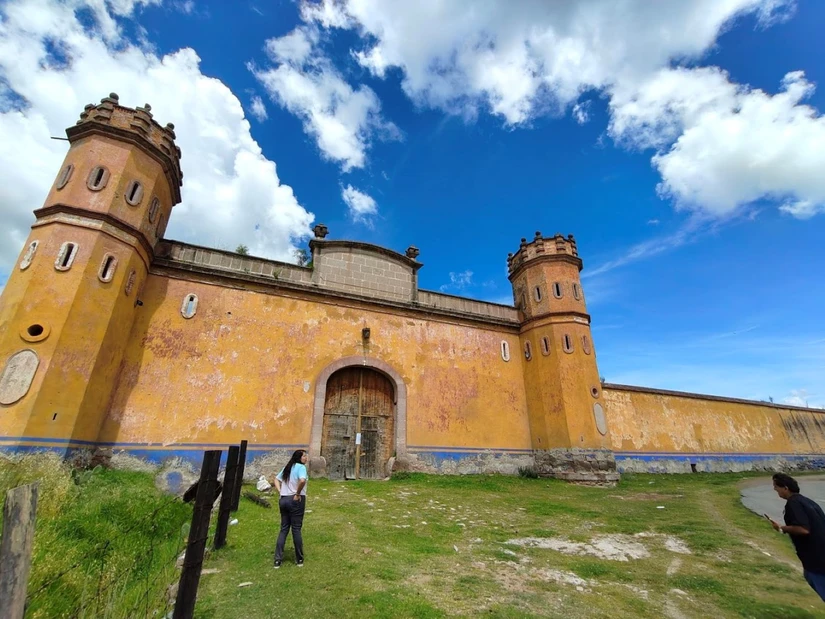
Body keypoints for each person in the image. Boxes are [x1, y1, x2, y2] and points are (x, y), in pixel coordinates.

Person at [767, 473, 825, 602]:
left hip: (816, 560)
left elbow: (803, 529)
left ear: (785, 488)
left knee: (814, 578)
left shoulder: (793, 504)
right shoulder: (808, 502)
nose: (775, 489)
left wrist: (782, 528)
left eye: (776, 486)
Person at [273, 449, 308, 568]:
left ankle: (277, 560)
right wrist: (297, 494)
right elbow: (302, 480)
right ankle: (299, 559)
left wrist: (280, 491)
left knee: (284, 529)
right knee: (296, 529)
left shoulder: (288, 467)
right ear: (299, 458)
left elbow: (276, 479)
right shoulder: (301, 467)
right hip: (295, 500)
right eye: (304, 456)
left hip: (284, 499)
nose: (306, 458)